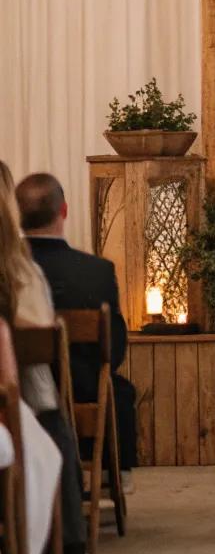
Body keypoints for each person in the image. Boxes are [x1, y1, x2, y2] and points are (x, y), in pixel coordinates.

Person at [16, 172, 137, 485]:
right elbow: (114, 350)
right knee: (115, 386)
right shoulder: (96, 272)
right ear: (64, 211)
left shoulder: (8, 269)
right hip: (82, 397)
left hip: (18, 398)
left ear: (18, 215)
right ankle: (112, 472)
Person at [0, 160, 88, 554]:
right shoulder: (21, 272)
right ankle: (63, 543)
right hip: (20, 406)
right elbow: (41, 342)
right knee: (52, 430)